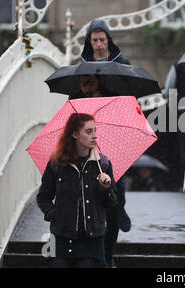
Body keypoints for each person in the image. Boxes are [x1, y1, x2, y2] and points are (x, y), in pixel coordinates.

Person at [71, 19, 132, 268]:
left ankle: (108, 253)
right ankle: (98, 253)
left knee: (115, 196)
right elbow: (72, 104)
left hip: (114, 136)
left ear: (109, 40)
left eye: (102, 39)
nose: (98, 44)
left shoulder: (122, 65)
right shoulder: (81, 68)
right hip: (89, 140)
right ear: (89, 42)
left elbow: (129, 99)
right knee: (95, 201)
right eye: (94, 40)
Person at [37, 113, 117, 268]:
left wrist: (106, 188)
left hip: (92, 239)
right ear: (74, 134)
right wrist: (54, 214)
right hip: (61, 237)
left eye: (95, 130)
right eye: (89, 131)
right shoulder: (57, 164)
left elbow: (111, 203)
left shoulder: (103, 164)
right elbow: (43, 197)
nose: (95, 136)